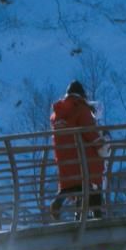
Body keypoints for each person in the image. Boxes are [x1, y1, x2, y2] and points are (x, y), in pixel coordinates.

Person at [49, 81, 107, 219]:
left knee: (71, 186)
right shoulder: (81, 109)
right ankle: (97, 215)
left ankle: (60, 204)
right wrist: (102, 146)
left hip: (65, 165)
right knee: (94, 183)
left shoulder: (56, 116)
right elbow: (91, 134)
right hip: (83, 164)